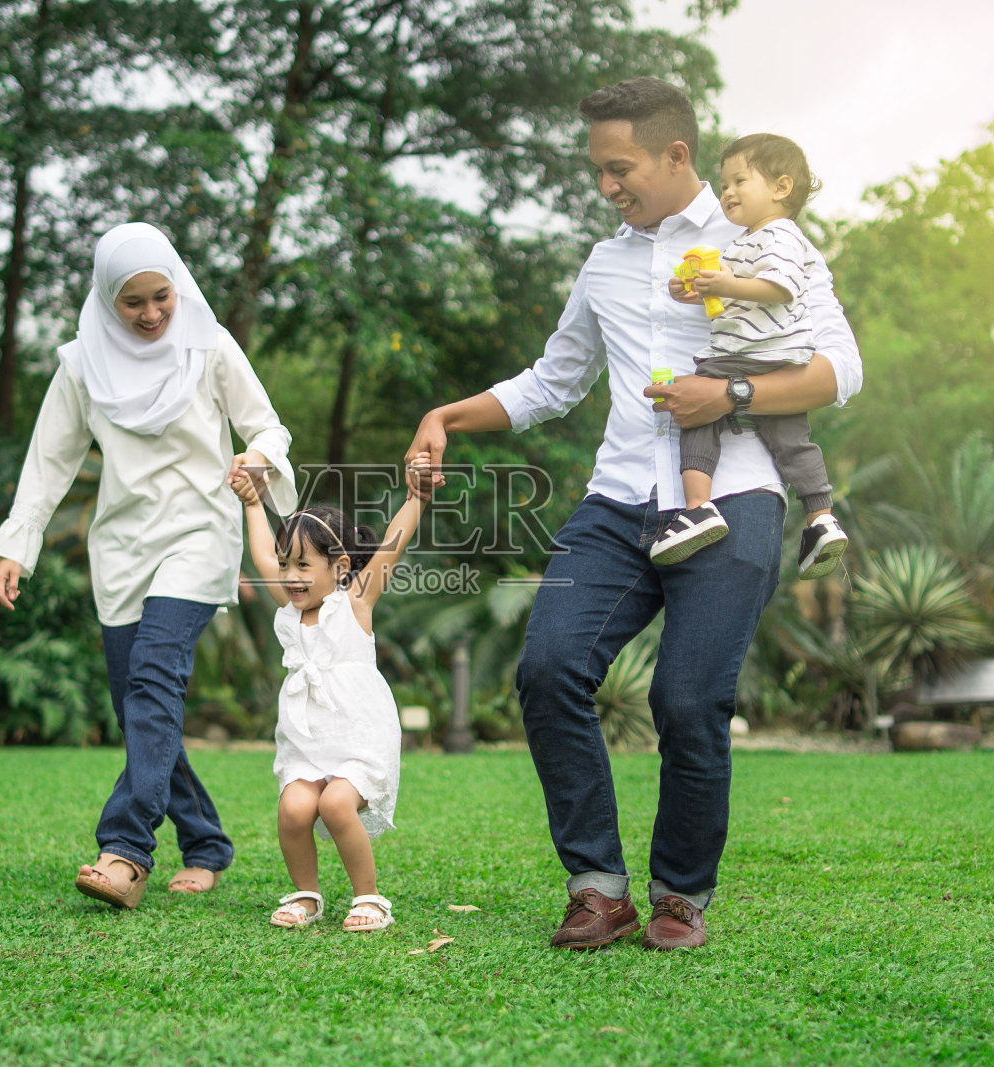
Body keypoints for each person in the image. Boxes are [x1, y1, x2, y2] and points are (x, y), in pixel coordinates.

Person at [405, 77, 861, 951]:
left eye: (621, 169)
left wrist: (724, 391)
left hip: (733, 494)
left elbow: (841, 369)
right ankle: (598, 886)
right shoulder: (605, 262)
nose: (607, 186)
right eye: (600, 172)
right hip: (618, 502)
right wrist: (447, 416)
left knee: (689, 701)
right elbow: (554, 380)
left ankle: (681, 893)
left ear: (675, 155)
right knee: (548, 669)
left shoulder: (762, 240)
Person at [0, 222, 297, 909]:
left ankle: (126, 848)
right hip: (122, 548)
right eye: (135, 303)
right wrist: (18, 541)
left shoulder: (209, 346)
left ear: (178, 287)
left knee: (154, 679)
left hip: (199, 532)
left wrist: (258, 457)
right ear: (106, 300)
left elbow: (267, 424)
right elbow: (50, 459)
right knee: (142, 708)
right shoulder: (80, 364)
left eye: (163, 296)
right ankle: (207, 841)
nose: (153, 313)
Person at [229, 456, 431, 932]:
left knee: (336, 803)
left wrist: (417, 498)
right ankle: (307, 895)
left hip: (358, 735)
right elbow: (261, 556)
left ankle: (369, 898)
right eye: (287, 565)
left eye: (303, 564)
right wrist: (253, 503)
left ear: (340, 567)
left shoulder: (355, 603)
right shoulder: (290, 609)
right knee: (295, 807)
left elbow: (389, 549)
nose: (290, 574)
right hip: (307, 735)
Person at [648, 133, 849, 579]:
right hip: (778, 357)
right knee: (791, 440)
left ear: (780, 187)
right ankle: (821, 518)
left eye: (740, 181)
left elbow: (779, 288)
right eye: (724, 185)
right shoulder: (746, 241)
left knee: (696, 413)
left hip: (746, 354)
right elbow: (732, 298)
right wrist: (692, 291)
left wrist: (726, 284)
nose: (728, 192)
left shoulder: (778, 235)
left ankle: (698, 509)